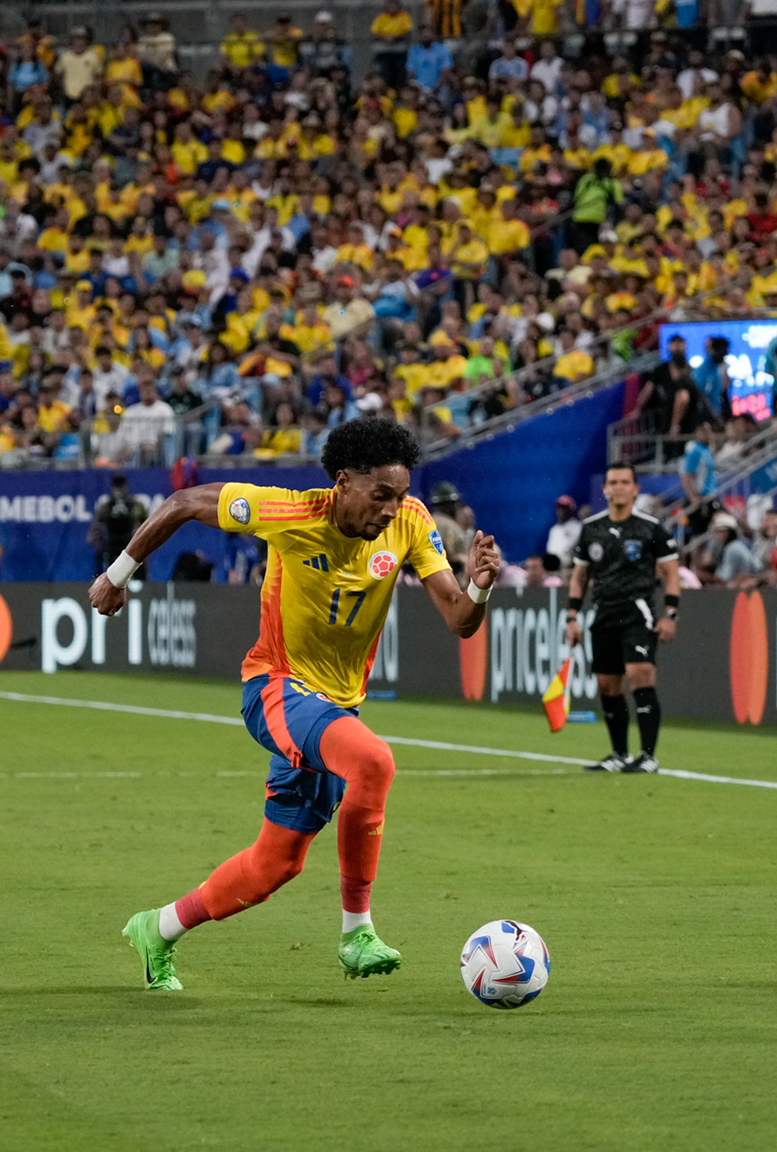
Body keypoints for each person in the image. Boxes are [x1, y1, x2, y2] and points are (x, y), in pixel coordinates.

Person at [93, 418, 499, 989]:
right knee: (375, 763)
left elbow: (460, 620)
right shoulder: (289, 512)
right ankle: (357, 931)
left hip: (335, 710)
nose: (391, 508)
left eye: (400, 495)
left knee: (274, 866)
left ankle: (157, 929)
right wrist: (118, 573)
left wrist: (479, 586)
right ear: (343, 483)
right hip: (276, 688)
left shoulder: (410, 522)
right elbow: (184, 502)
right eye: (380, 495)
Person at [563, 464, 683, 774]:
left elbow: (671, 573)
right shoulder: (591, 528)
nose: (618, 487)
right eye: (612, 482)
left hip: (638, 611)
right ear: (604, 489)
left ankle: (647, 756)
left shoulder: (650, 528)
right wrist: (572, 616)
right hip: (604, 612)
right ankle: (618, 754)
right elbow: (580, 577)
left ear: (635, 489)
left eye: (624, 482)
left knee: (640, 674)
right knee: (607, 684)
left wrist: (670, 614)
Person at [91, 474, 147, 574]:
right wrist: (98, 540)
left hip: (131, 543)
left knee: (142, 554)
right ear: (112, 488)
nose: (119, 490)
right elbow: (92, 534)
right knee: (101, 555)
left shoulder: (137, 506)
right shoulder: (106, 506)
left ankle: (142, 580)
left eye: (121, 486)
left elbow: (148, 527)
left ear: (126, 487)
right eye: (117, 486)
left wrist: (140, 537)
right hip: (110, 544)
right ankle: (98, 579)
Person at [545, 495, 582, 568]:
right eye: (559, 508)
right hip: (552, 569)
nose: (561, 511)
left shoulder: (578, 528)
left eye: (565, 508)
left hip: (569, 568)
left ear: (571, 509)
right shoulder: (554, 530)